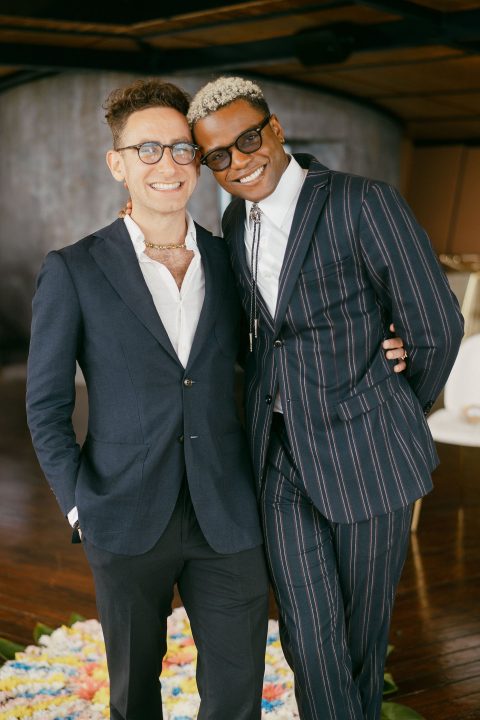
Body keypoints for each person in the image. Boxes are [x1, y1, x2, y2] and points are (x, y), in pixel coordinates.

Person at [188, 76, 464, 720]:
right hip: (277, 454)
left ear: (276, 129)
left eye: (247, 140)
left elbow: (436, 326)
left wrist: (392, 405)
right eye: (218, 156)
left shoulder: (363, 202)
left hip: (369, 453)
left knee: (361, 638)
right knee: (309, 637)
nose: (238, 162)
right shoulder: (233, 221)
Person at [26, 79, 271, 720]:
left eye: (183, 149)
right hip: (124, 513)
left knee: (238, 694)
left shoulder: (231, 260)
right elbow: (46, 406)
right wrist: (80, 506)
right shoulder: (73, 269)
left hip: (228, 511)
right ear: (119, 164)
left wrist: (377, 342)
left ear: (198, 160)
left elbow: (272, 356)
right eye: (148, 149)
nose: (169, 164)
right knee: (134, 695)